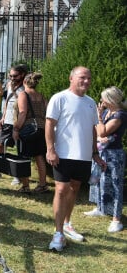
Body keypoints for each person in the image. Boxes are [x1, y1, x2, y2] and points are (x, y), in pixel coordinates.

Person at [46, 67, 106, 252]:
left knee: (75, 188)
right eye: (82, 77)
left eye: (89, 78)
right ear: (71, 78)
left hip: (83, 156)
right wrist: (50, 149)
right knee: (62, 189)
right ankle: (58, 233)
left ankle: (66, 223)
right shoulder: (60, 98)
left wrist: (94, 154)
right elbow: (49, 124)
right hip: (63, 154)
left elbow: (92, 130)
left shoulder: (90, 103)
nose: (86, 81)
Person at [84, 86, 126, 233]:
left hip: (114, 155)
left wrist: (99, 117)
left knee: (115, 185)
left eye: (103, 98)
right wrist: (101, 126)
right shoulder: (109, 112)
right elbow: (98, 131)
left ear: (110, 100)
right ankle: (100, 208)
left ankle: (116, 220)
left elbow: (101, 131)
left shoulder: (120, 115)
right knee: (99, 180)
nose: (101, 101)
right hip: (102, 152)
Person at [0, 65, 27, 183]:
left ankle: (17, 174)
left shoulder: (25, 87)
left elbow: (21, 102)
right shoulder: (8, 84)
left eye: (15, 76)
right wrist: (3, 117)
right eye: (10, 76)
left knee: (19, 148)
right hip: (7, 120)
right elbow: (7, 101)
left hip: (19, 122)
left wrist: (14, 90)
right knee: (0, 144)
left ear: (22, 75)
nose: (12, 78)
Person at [12, 73, 48, 193]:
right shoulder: (41, 96)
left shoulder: (23, 94)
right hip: (42, 128)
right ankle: (42, 185)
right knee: (39, 157)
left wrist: (16, 129)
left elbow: (22, 113)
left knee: (23, 157)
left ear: (24, 82)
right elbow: (47, 113)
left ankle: (25, 186)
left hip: (28, 129)